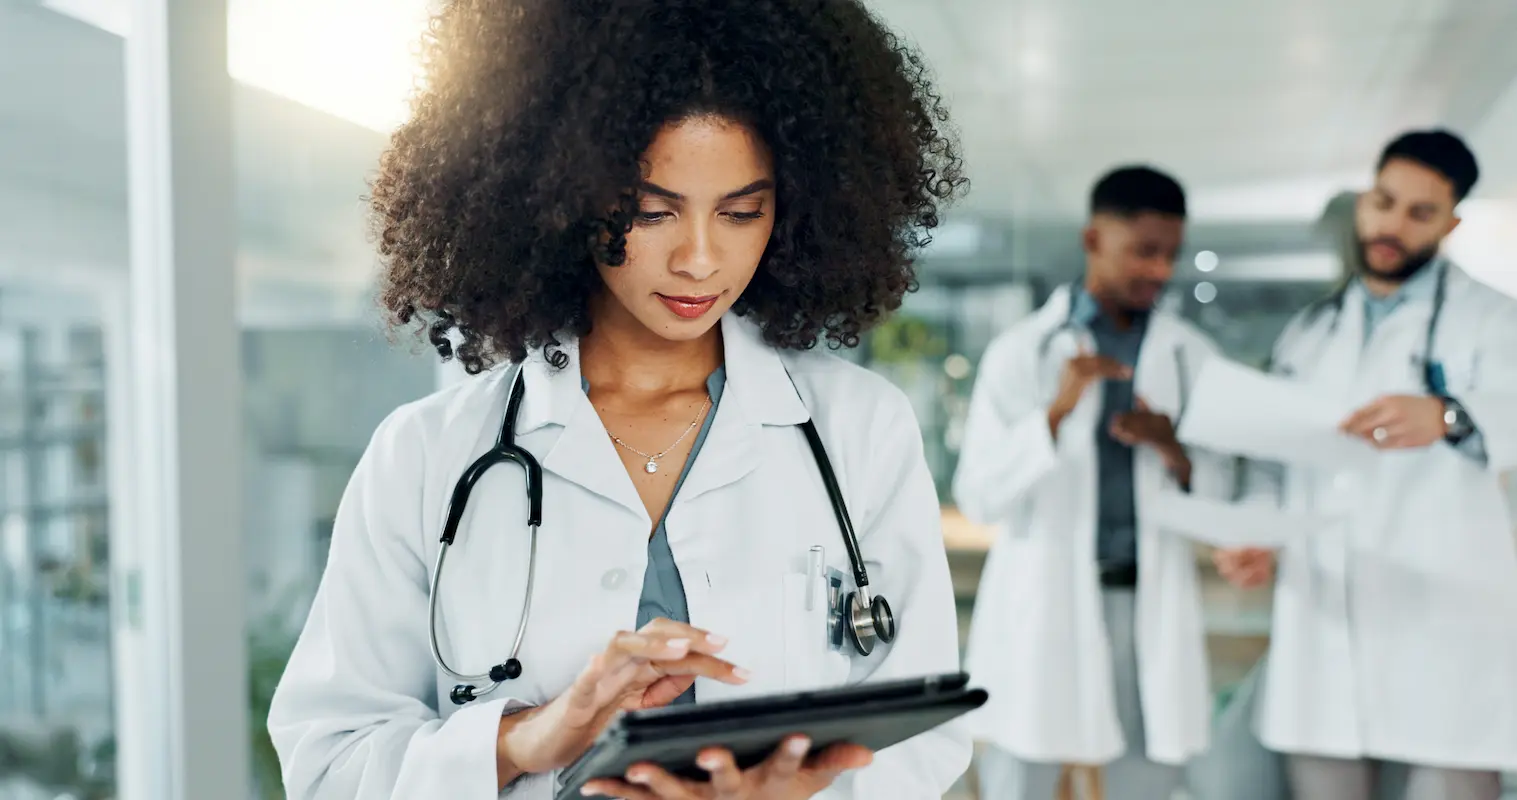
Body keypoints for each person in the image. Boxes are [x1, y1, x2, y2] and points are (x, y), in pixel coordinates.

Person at [265, 1, 972, 797]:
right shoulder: (427, 453)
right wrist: (529, 736)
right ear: (562, 192)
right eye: (649, 210)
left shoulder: (857, 429)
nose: (700, 259)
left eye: (741, 212)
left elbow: (925, 733)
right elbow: (329, 762)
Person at [1214, 129, 1517, 800]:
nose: (1392, 225)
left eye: (1419, 212)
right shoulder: (1308, 333)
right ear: (1362, 202)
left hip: (1444, 636)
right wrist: (1260, 536)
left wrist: (1447, 415)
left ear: (1450, 222)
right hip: (1323, 634)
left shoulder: (1492, 322)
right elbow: (1274, 464)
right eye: (1383, 202)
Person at [954, 166, 1236, 800]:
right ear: (1093, 240)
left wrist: (1172, 448)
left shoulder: (1191, 355)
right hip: (1048, 596)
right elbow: (980, 496)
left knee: (1149, 773)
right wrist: (1054, 414)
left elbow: (1216, 500)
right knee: (1021, 772)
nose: (1160, 270)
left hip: (1147, 599)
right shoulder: (1023, 353)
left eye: (1170, 254)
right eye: (1144, 251)